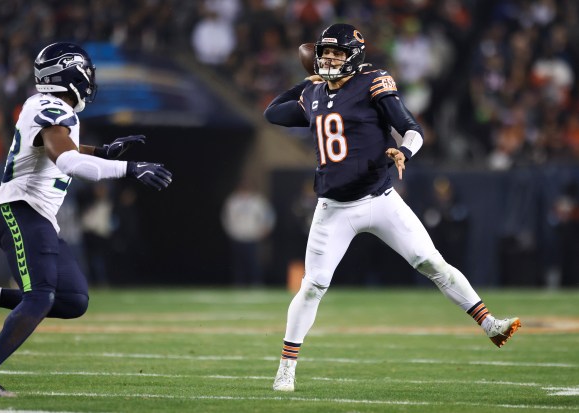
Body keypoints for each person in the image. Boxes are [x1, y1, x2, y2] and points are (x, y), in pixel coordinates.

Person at [264, 23, 520, 392]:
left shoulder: (374, 82)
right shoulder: (314, 93)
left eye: (336, 53)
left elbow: (412, 127)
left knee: (431, 261)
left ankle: (489, 324)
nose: (328, 59)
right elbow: (272, 113)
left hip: (381, 199)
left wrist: (404, 150)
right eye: (324, 53)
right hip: (333, 208)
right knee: (313, 285)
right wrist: (306, 81)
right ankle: (286, 368)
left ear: (354, 55)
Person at [0, 42, 173, 397]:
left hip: (36, 213)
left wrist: (102, 152)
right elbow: (68, 161)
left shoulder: (50, 108)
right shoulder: (50, 107)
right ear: (72, 73)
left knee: (73, 299)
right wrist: (129, 168)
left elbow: (61, 148)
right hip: (19, 207)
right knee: (40, 296)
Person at [221, 178, 276, 286]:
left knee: (254, 262)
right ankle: (239, 284)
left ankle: (256, 284)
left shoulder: (258, 201)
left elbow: (269, 216)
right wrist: (231, 232)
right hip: (237, 236)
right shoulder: (233, 200)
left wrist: (266, 229)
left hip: (253, 236)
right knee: (238, 264)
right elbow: (226, 218)